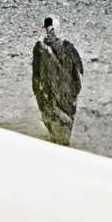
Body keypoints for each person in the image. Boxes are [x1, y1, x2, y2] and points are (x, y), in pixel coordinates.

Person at [31, 16, 85, 145]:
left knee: (64, 132)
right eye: (47, 29)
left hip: (65, 98)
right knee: (53, 130)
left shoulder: (67, 47)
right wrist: (40, 95)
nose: (49, 32)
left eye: (52, 29)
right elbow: (36, 74)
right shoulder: (40, 48)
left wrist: (72, 94)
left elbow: (79, 71)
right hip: (48, 97)